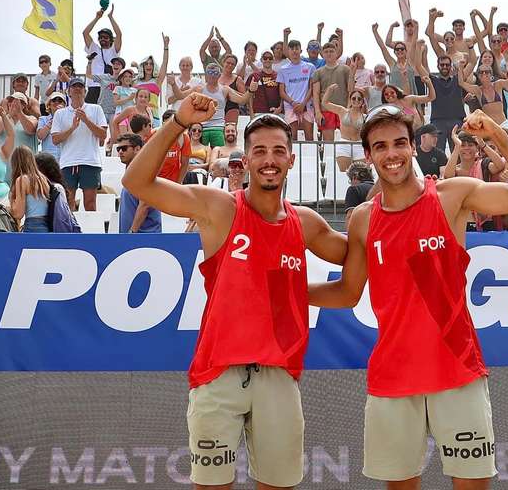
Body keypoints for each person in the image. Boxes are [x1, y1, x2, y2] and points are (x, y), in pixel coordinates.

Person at [308, 108, 508, 489]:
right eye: (380, 146)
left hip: (456, 370)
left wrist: (497, 135)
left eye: (400, 143)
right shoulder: (363, 219)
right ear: (368, 156)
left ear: (413, 146)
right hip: (393, 375)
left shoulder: (452, 195)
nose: (392, 154)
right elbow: (348, 292)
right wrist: (290, 291)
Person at [122, 96, 347, 489]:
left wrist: (291, 292)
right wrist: (177, 123)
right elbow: (136, 182)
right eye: (259, 151)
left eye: (279, 150)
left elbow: (355, 262)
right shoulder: (219, 208)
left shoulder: (306, 223)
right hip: (218, 374)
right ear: (245, 159)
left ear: (291, 159)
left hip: (278, 377)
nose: (269, 159)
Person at [51, 78, 109, 211]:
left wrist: (86, 120)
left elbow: (103, 135)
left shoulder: (96, 109)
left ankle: (89, 230)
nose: (77, 89)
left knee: (90, 203)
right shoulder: (60, 113)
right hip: (68, 162)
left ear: (85, 91)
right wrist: (72, 128)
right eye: (74, 87)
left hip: (90, 162)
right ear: (68, 92)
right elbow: (55, 139)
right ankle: (70, 231)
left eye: (80, 87)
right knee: (68, 202)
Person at [113, 133, 161, 233]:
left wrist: (132, 232)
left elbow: (145, 205)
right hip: (134, 238)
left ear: (137, 149)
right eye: (119, 149)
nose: (120, 152)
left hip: (144, 238)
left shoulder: (144, 171)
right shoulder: (133, 173)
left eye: (124, 148)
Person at [198, 62, 249, 147]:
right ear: (206, 74)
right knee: (201, 156)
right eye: (210, 73)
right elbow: (181, 95)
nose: (212, 75)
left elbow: (242, 100)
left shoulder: (225, 89)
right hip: (202, 128)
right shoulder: (199, 89)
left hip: (219, 128)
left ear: (219, 75)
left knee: (219, 156)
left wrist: (251, 90)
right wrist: (174, 84)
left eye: (215, 73)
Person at [457, 60, 508, 128]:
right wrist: (460, 67)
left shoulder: (498, 84)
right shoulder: (478, 90)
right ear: (478, 75)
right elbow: (461, 83)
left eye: (487, 72)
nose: (484, 74)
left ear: (491, 75)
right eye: (481, 72)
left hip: (503, 124)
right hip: (488, 126)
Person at [311, 42, 353, 142]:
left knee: (345, 140)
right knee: (328, 142)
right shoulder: (318, 72)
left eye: (331, 51)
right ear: (322, 54)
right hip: (325, 110)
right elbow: (316, 93)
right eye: (326, 52)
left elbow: (350, 90)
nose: (329, 54)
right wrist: (317, 112)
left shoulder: (346, 69)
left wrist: (348, 108)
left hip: (342, 109)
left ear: (336, 53)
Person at [321, 82, 367, 172]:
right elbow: (325, 103)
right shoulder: (342, 111)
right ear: (350, 100)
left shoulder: (365, 117)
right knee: (344, 172)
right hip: (344, 144)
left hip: (359, 144)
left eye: (359, 99)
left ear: (362, 101)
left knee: (360, 173)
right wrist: (329, 91)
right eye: (354, 98)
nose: (356, 100)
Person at [277, 40, 318, 141]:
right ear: (288, 51)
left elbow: (311, 88)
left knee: (309, 137)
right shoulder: (283, 69)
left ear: (301, 50)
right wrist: (293, 103)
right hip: (290, 107)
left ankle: (311, 156)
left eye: (296, 48)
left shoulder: (310, 67)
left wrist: (303, 104)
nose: (294, 51)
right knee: (292, 137)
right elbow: (282, 92)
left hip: (307, 106)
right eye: (292, 49)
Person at [82, 4, 123, 104]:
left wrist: (110, 17)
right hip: (93, 85)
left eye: (105, 37)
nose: (102, 39)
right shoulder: (93, 48)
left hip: (109, 86)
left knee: (107, 115)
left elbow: (119, 34)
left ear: (110, 39)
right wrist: (97, 18)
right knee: (89, 114)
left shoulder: (114, 50)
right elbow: (85, 33)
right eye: (100, 37)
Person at [428, 54, 468, 152]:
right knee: (437, 152)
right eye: (442, 65)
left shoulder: (458, 79)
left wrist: (461, 66)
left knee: (459, 153)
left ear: (451, 66)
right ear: (438, 66)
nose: (445, 67)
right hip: (438, 122)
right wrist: (423, 52)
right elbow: (420, 67)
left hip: (457, 121)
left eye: (447, 65)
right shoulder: (433, 80)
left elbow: (473, 62)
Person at [7, 146, 51, 232]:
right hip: (47, 225)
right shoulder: (42, 179)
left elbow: (18, 214)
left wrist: (11, 201)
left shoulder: (22, 180)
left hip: (32, 225)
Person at [135, 33, 171, 123]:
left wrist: (166, 47)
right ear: (143, 66)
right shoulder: (136, 81)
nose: (148, 65)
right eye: (146, 64)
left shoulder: (157, 81)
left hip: (153, 118)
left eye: (151, 64)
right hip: (137, 117)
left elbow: (165, 63)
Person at [156, 109, 191, 184]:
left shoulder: (183, 138)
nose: (170, 127)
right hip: (154, 181)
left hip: (172, 182)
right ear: (163, 124)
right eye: (167, 124)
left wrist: (178, 183)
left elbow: (185, 164)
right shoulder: (154, 136)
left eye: (172, 124)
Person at [247, 50, 282, 116]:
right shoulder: (254, 76)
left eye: (270, 58)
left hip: (276, 112)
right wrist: (251, 113)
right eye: (265, 58)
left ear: (273, 60)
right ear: (261, 59)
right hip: (258, 112)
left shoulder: (279, 76)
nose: (267, 60)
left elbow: (282, 94)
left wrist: (280, 108)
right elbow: (250, 96)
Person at [36, 92, 67, 160]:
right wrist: (54, 119)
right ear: (49, 104)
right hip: (48, 158)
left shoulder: (68, 119)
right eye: (54, 100)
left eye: (60, 101)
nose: (57, 102)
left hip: (64, 157)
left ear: (64, 105)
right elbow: (40, 136)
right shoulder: (43, 119)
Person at [344, 161, 375, 226]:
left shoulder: (354, 189)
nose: (351, 183)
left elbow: (350, 217)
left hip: (363, 232)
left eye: (350, 180)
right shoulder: (382, 189)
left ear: (354, 177)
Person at [219, 53, 247, 125]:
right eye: (228, 63)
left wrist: (230, 91)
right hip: (217, 109)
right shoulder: (216, 77)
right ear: (223, 62)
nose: (230, 65)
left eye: (233, 64)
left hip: (232, 109)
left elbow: (244, 97)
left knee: (230, 132)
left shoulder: (238, 79)